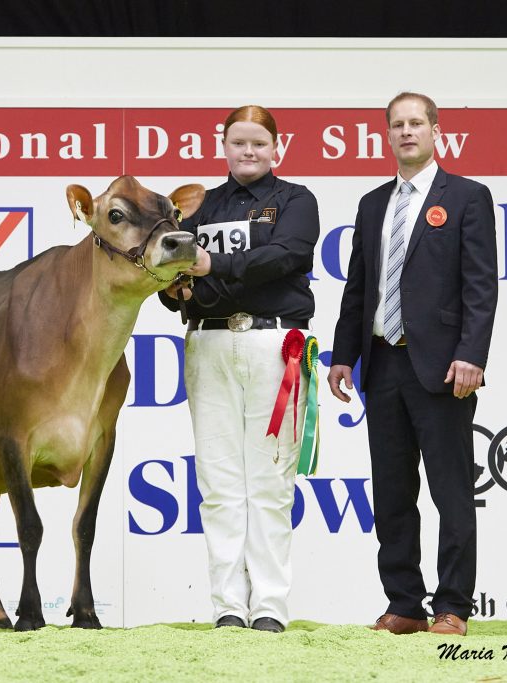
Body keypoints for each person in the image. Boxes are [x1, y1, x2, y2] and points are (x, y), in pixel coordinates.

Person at [328, 92, 497, 637]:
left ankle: (452, 606)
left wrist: (471, 354)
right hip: (383, 366)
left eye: (415, 123)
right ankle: (404, 603)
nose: (406, 132)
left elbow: (480, 286)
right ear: (387, 135)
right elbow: (358, 287)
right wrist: (343, 356)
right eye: (397, 125)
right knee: (393, 494)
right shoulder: (373, 203)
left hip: (444, 368)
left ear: (435, 130)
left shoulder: (468, 196)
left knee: (450, 492)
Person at [160, 105, 320, 633]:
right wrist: (177, 285)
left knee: (272, 481)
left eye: (258, 143)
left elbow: (287, 257)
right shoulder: (199, 208)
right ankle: (227, 606)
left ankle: (270, 606)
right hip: (208, 343)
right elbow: (177, 281)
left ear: (278, 146)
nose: (248, 152)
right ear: (222, 145)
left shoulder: (296, 199)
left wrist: (212, 270)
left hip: (276, 344)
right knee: (219, 481)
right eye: (238, 142)